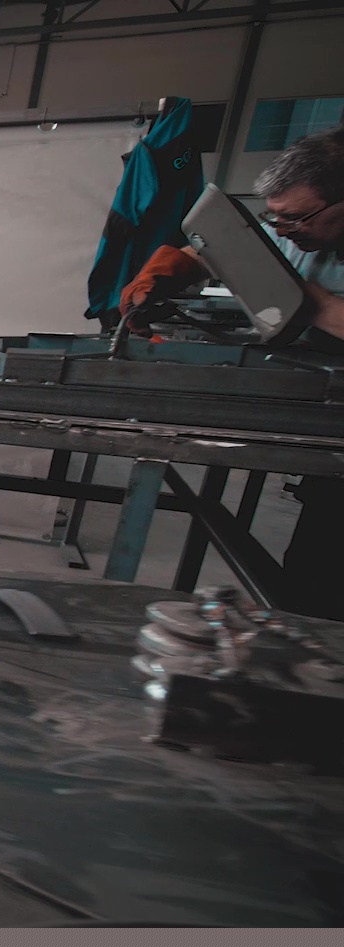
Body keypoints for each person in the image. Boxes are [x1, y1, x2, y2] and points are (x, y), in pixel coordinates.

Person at [119, 126, 344, 620]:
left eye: (296, 217)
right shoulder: (303, 235)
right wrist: (169, 270)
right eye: (275, 216)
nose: (285, 229)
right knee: (312, 570)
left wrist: (311, 302)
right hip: (324, 411)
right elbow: (221, 249)